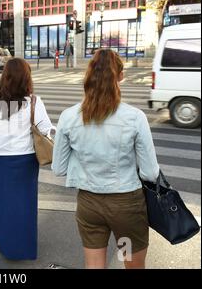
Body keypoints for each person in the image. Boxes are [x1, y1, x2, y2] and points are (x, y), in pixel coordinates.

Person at [51, 49, 159, 269]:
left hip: (89, 205)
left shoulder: (69, 117)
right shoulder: (134, 117)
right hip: (125, 207)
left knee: (94, 266)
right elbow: (150, 173)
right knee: (131, 263)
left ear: (88, 76)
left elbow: (59, 168)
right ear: (120, 76)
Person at [0, 58, 54, 260]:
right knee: (24, 204)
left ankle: (4, 240)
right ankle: (23, 247)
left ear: (5, 77)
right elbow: (46, 130)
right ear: (26, 78)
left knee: (2, 203)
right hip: (25, 161)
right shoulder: (33, 102)